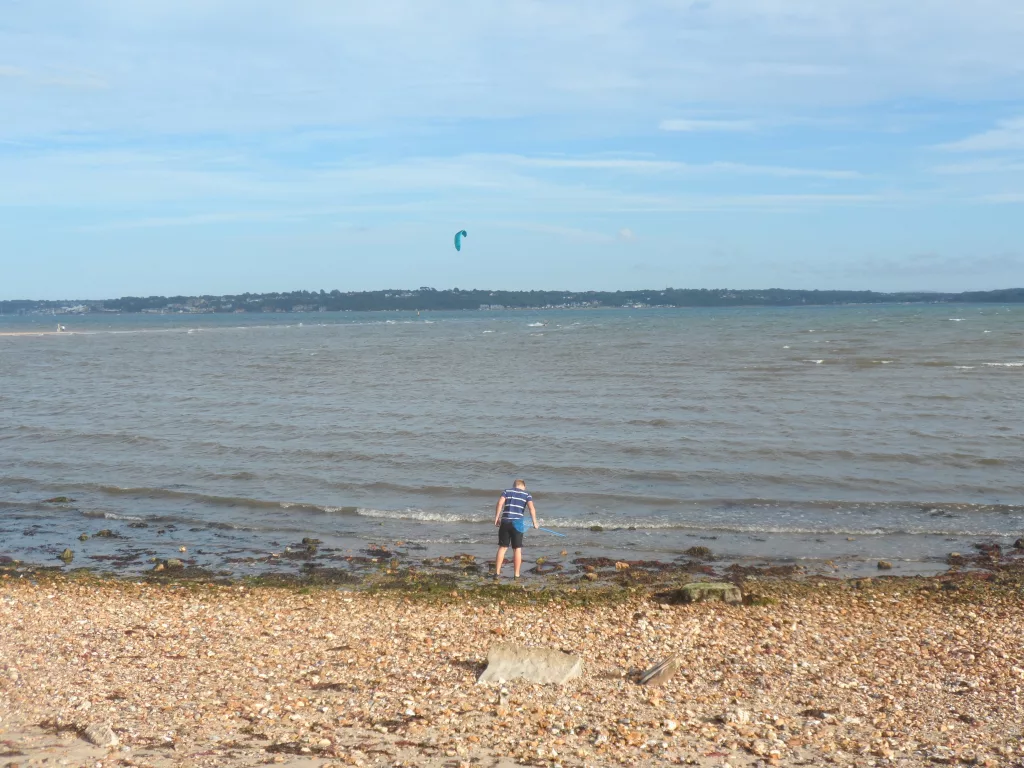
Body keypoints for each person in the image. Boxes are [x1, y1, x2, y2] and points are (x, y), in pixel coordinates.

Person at [494, 479, 538, 579]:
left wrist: (497, 518)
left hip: (505, 522)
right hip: (518, 524)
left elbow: (500, 503)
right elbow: (531, 508)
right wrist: (534, 522)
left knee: (502, 547)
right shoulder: (527, 495)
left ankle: (497, 573)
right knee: (517, 549)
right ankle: (516, 575)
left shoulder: (506, 491)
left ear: (514, 485)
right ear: (524, 486)